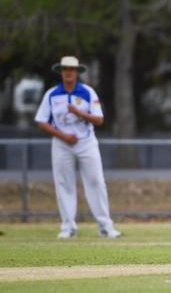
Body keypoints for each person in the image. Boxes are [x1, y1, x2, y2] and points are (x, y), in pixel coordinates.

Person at [35, 56, 121, 239]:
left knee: (96, 181)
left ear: (77, 72)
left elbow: (99, 119)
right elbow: (42, 121)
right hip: (61, 144)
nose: (68, 72)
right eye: (65, 68)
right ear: (61, 71)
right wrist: (63, 136)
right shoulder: (52, 94)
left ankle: (105, 226)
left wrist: (80, 112)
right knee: (64, 183)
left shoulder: (87, 92)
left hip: (86, 142)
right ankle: (68, 227)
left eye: (72, 69)